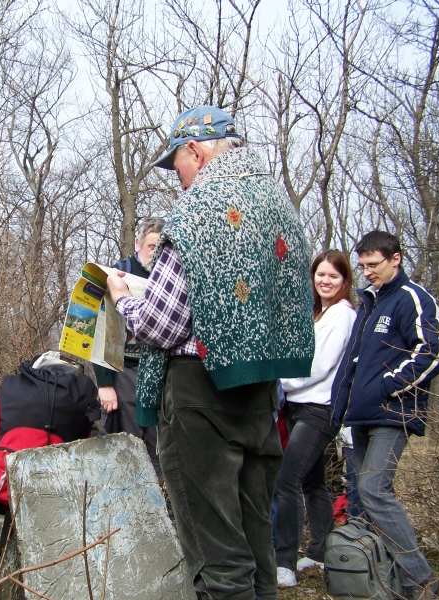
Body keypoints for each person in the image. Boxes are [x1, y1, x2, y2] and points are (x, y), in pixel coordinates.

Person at [107, 106, 315, 600]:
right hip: (261, 394)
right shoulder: (278, 203)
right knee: (256, 546)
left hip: (200, 399)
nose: (177, 177)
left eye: (175, 164)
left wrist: (122, 297)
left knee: (217, 554)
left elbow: (161, 324)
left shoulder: (197, 212)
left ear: (195, 151)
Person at [331, 231, 439, 599]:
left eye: (373, 265)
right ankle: (387, 581)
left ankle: (422, 581)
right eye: (362, 266)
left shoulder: (412, 298)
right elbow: (353, 363)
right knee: (365, 498)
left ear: (395, 259)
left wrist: (387, 387)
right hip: (361, 415)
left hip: (391, 413)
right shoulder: (370, 302)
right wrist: (341, 408)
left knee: (373, 489)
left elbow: (431, 351)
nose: (367, 272)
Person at [274, 250, 357, 588]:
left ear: (345, 280)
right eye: (320, 275)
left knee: (286, 479)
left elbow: (318, 365)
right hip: (296, 407)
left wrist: (280, 381)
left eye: (333, 277)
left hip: (319, 410)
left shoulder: (342, 315)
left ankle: (284, 562)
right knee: (312, 481)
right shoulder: (318, 314)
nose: (325, 281)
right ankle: (322, 552)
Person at [94, 217, 165, 479]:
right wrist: (105, 384)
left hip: (161, 371)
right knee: (126, 447)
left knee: (159, 447)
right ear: (138, 244)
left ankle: (161, 509)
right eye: (151, 247)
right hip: (125, 371)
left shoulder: (171, 276)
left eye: (161, 248)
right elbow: (102, 333)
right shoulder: (119, 272)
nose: (156, 254)